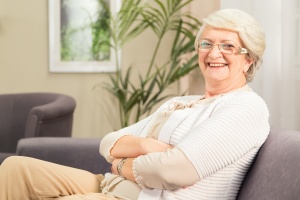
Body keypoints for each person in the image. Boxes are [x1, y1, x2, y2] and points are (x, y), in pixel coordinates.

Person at [0, 8, 269, 200]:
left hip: (142, 197)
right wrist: (145, 145)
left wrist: (120, 166)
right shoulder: (182, 102)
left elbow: (173, 170)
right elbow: (109, 142)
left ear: (249, 59)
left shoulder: (246, 108)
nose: (214, 53)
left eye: (228, 46)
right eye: (206, 43)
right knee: (15, 169)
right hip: (111, 185)